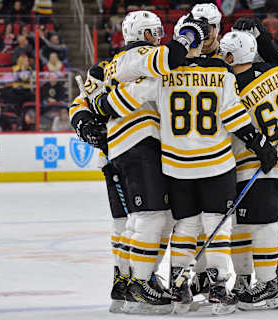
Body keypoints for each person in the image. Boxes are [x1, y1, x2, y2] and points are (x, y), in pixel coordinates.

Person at [91, 37, 278, 315]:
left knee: (185, 227)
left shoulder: (164, 74)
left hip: (177, 166)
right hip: (216, 164)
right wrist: (259, 144)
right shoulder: (220, 73)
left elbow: (125, 100)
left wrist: (101, 105)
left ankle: (180, 290)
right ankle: (217, 289)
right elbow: (233, 114)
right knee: (217, 226)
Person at [69, 10, 210, 314]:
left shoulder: (119, 66)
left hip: (133, 149)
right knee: (139, 221)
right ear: (145, 35)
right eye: (156, 32)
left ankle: (130, 284)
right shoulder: (129, 60)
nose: (160, 37)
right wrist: (84, 122)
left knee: (146, 221)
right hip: (131, 149)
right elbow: (81, 104)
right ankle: (133, 285)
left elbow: (98, 100)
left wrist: (99, 110)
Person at [220, 30, 278, 309]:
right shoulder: (272, 72)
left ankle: (268, 285)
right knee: (273, 221)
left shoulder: (232, 85)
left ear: (232, 55)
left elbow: (232, 124)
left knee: (257, 224)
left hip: (254, 163)